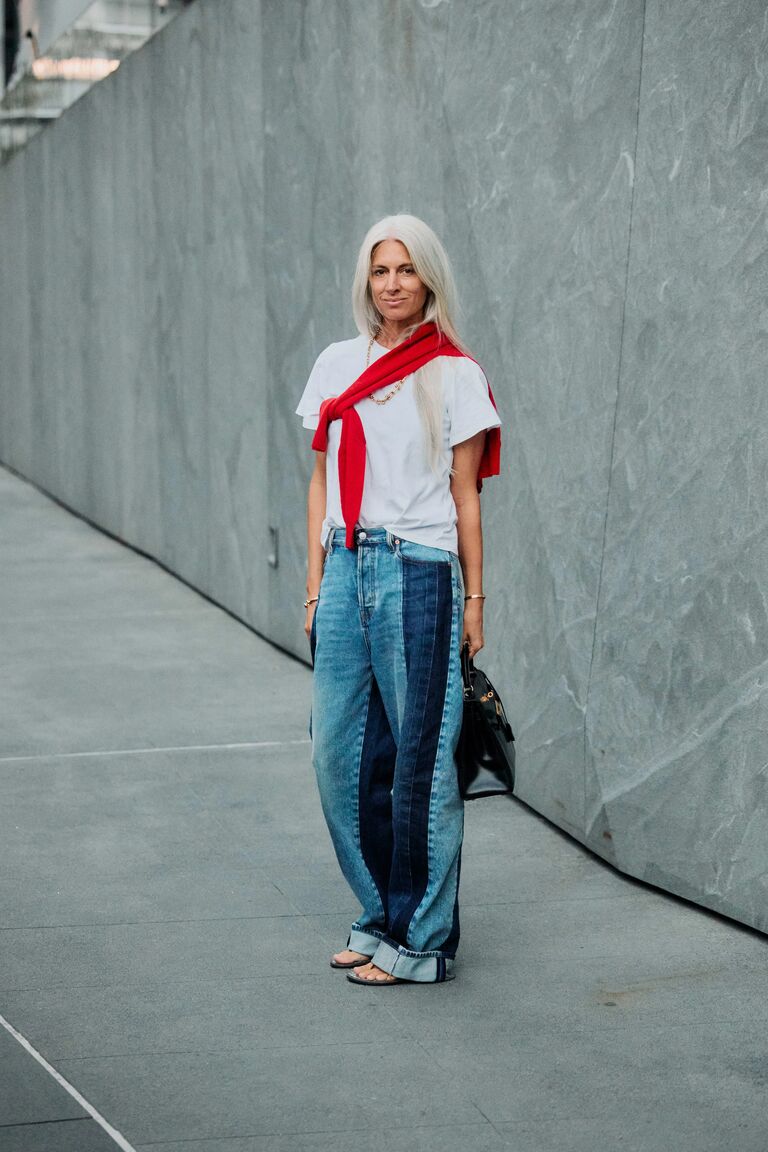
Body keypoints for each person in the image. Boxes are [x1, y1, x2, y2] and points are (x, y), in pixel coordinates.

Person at [295, 214, 501, 985]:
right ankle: (380, 910)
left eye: (406, 271)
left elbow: (466, 494)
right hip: (346, 566)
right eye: (381, 270)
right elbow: (319, 479)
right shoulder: (336, 364)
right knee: (338, 755)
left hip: (419, 569)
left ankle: (419, 941)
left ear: (429, 280)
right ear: (366, 279)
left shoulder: (453, 372)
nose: (392, 284)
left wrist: (474, 599)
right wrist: (317, 586)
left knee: (418, 762)